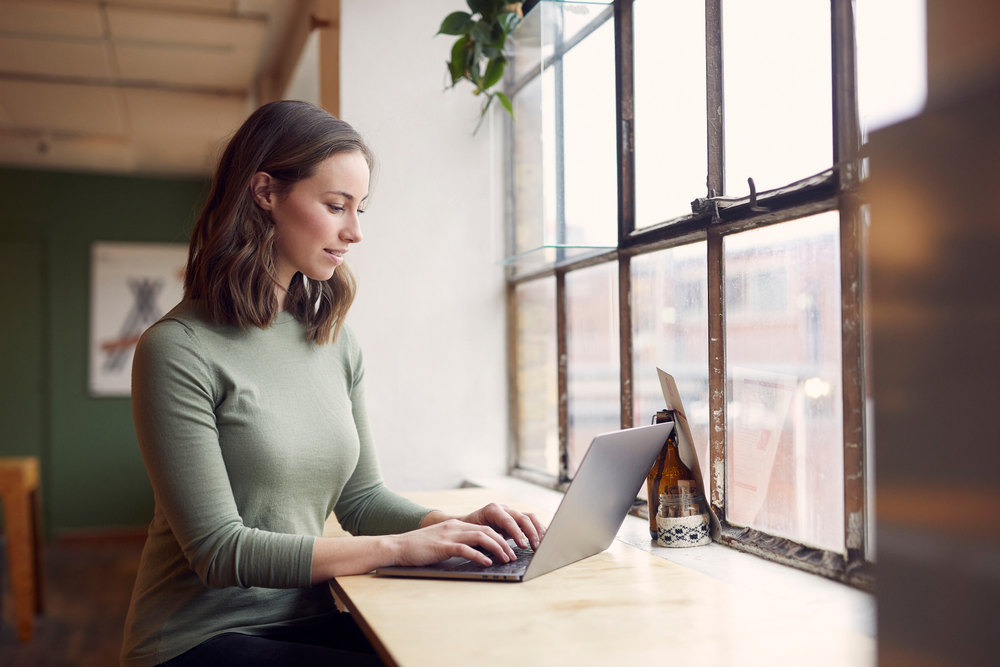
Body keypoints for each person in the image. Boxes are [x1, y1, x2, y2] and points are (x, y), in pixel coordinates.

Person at [121, 100, 546, 667]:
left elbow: (362, 501)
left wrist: (454, 527)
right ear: (266, 193)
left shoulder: (334, 342)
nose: (355, 232)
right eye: (335, 206)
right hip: (199, 638)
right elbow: (219, 552)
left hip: (311, 616)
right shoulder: (176, 349)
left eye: (360, 209)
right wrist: (400, 548)